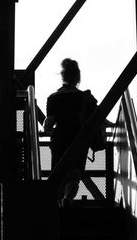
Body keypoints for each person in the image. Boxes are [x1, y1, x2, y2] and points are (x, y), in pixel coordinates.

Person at [44, 58, 97, 207]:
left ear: (62, 76)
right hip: (79, 138)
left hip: (60, 139)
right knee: (75, 174)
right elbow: (96, 118)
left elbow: (50, 123)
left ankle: (56, 206)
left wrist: (45, 127)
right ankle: (67, 199)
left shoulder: (53, 98)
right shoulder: (84, 97)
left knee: (59, 174)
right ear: (78, 77)